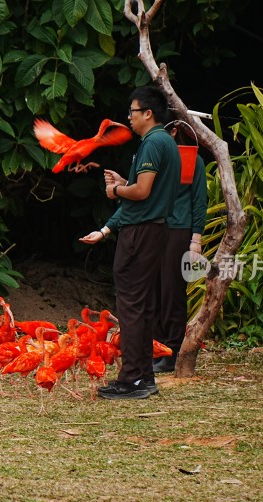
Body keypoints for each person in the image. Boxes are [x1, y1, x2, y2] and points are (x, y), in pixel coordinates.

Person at [79, 86, 181, 400]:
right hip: (154, 230)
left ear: (148, 113)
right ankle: (143, 377)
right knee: (143, 305)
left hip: (141, 234)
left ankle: (133, 379)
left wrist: (117, 191)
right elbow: (143, 192)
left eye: (132, 112)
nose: (129, 118)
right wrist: (109, 225)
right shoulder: (165, 142)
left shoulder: (152, 143)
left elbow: (142, 193)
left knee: (132, 306)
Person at [153, 120, 208, 374]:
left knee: (172, 291)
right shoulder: (152, 154)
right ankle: (155, 348)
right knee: (153, 290)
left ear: (174, 131)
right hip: (153, 228)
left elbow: (199, 201)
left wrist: (195, 239)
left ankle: (171, 349)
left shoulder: (192, 160)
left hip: (178, 230)